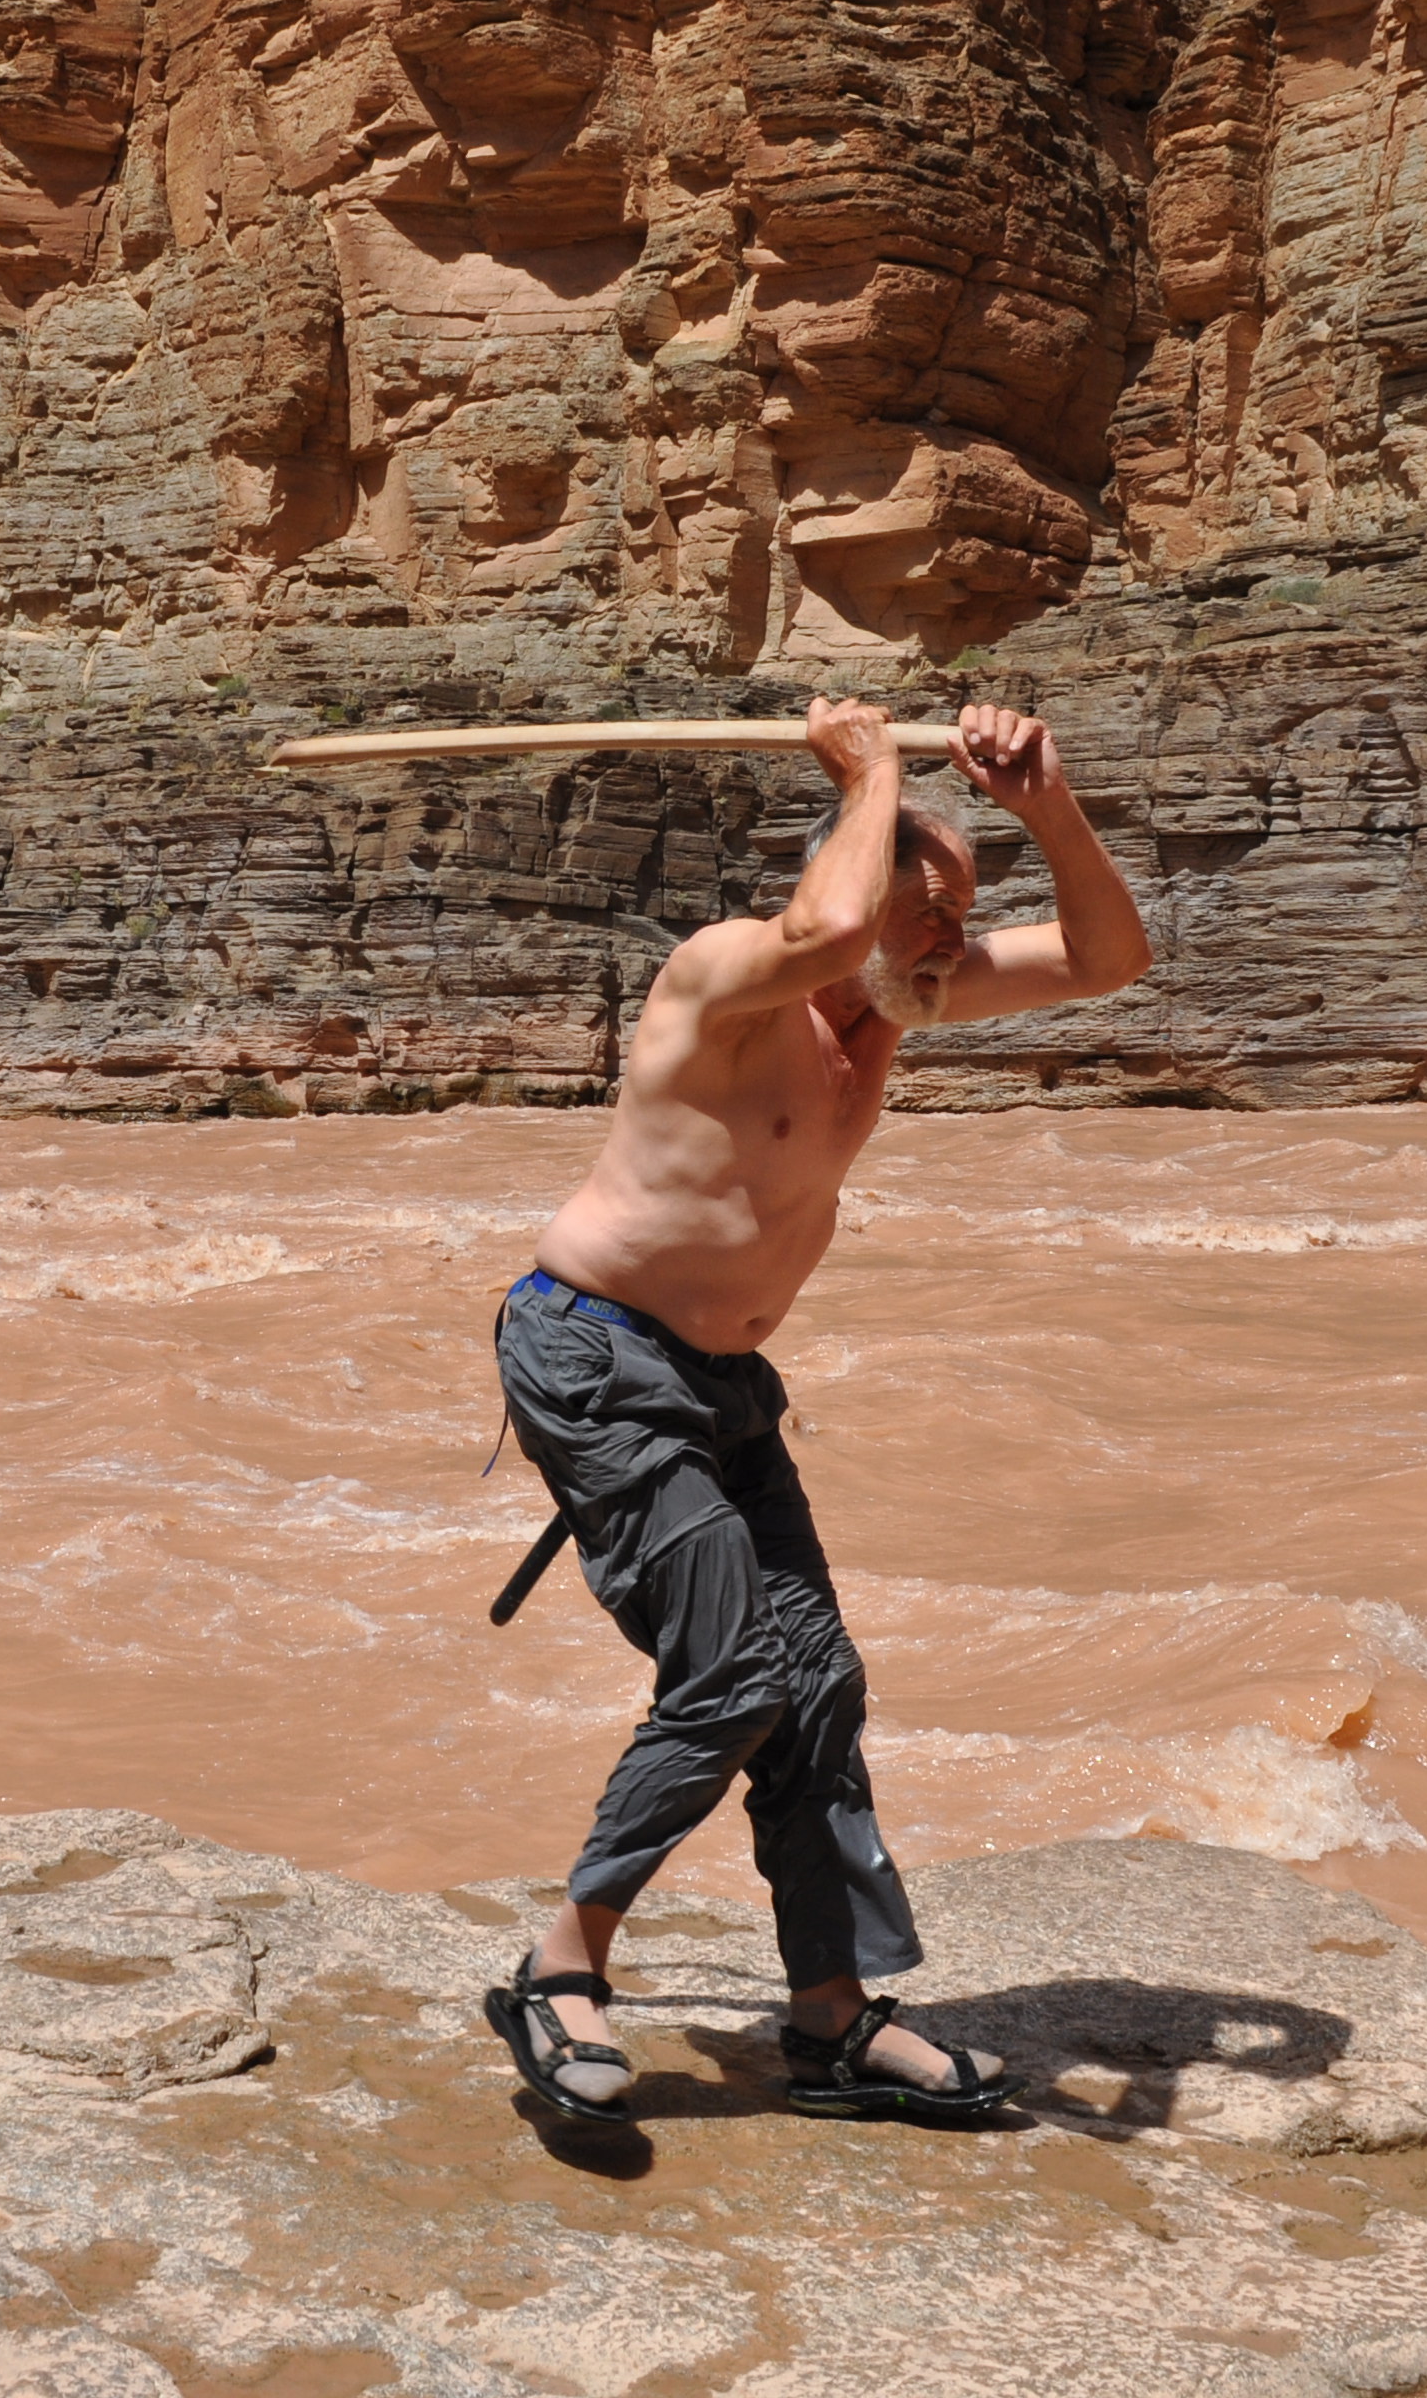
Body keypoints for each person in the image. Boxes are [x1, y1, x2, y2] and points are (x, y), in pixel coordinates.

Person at [483, 696, 1154, 2122]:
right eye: (931, 908)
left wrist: (1044, 802)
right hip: (596, 1357)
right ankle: (559, 1969)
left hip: (725, 1388)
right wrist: (872, 770)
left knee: (817, 1683)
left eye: (962, 913)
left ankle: (830, 2019)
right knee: (731, 1677)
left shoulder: (905, 995)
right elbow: (834, 927)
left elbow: (1111, 960)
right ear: (854, 881)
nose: (951, 938)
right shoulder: (728, 976)